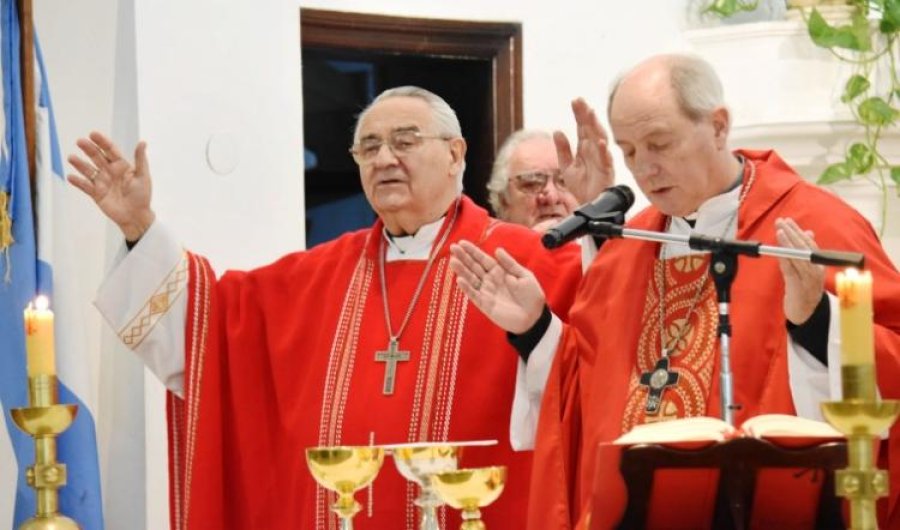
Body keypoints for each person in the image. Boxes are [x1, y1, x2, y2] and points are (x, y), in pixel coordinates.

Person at [66, 87, 586, 529]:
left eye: (405, 141)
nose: (385, 159)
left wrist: (537, 327)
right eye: (369, 147)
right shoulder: (314, 278)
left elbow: (593, 380)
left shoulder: (530, 265)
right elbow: (206, 334)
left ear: (455, 154)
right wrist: (138, 227)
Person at [449, 54, 900, 529]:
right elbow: (586, 395)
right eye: (629, 151)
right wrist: (534, 328)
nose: (645, 168)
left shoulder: (814, 225)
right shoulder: (629, 247)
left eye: (659, 144)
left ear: (718, 126)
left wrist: (815, 319)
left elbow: (890, 363)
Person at [487, 108, 614, 234]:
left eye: (564, 182)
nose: (552, 197)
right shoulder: (484, 246)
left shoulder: (608, 242)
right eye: (532, 183)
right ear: (503, 201)